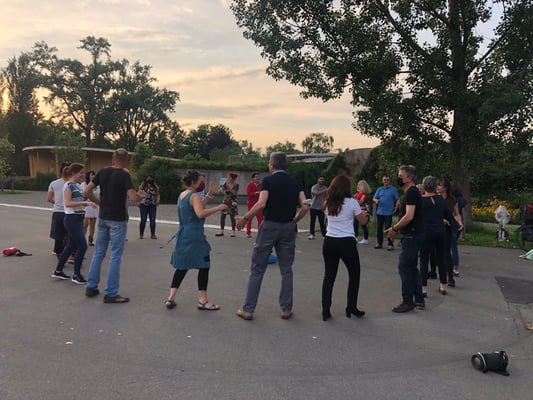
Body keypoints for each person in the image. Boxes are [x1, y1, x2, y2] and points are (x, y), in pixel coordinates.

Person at [235, 152, 309, 320]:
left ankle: (248, 309)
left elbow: (261, 203)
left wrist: (245, 218)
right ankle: (286, 308)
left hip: (269, 226)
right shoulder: (295, 182)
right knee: (286, 269)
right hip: (288, 227)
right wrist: (294, 221)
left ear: (272, 165)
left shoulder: (268, 181)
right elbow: (305, 206)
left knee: (257, 268)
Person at [83, 148, 145, 304]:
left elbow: (87, 191)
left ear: (113, 157)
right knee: (115, 255)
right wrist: (141, 196)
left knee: (99, 252)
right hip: (118, 219)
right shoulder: (124, 175)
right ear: (127, 159)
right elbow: (133, 198)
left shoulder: (103, 171)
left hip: (103, 217)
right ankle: (111, 292)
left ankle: (91, 286)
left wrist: (100, 203)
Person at [165, 170, 227, 310]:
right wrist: (218, 208)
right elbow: (200, 213)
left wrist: (208, 195)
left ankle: (171, 298)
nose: (202, 184)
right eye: (200, 181)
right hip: (195, 236)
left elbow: (196, 206)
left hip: (183, 235)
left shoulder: (183, 195)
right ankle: (203, 300)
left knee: (182, 266)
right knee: (204, 265)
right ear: (193, 182)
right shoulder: (194, 196)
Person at [321, 175, 368, 321]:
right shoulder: (352, 202)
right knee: (354, 275)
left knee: (329, 277)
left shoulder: (327, 202)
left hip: (329, 240)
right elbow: (363, 221)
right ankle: (351, 307)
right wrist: (364, 215)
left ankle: (326, 310)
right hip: (346, 241)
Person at [385, 165, 425, 313]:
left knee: (405, 268)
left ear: (409, 178)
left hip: (412, 235)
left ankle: (407, 301)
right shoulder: (411, 192)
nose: (398, 178)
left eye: (401, 176)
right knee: (412, 268)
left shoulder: (411, 192)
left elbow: (409, 216)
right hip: (414, 234)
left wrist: (394, 228)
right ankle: (419, 299)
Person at [51, 163, 97, 284]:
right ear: (73, 173)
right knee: (82, 246)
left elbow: (78, 202)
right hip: (72, 219)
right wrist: (86, 203)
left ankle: (58, 270)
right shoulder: (68, 185)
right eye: (81, 173)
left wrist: (86, 200)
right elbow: (67, 203)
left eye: (84, 173)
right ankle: (76, 275)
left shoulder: (77, 186)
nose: (83, 175)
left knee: (71, 245)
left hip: (77, 219)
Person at [419, 176, 452, 297]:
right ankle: (443, 285)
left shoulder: (421, 200)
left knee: (424, 259)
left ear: (424, 186)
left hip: (426, 232)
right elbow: (448, 215)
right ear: (434, 186)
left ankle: (423, 288)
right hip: (440, 231)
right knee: (441, 258)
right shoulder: (441, 200)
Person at [437, 178, 464, 287]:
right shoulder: (436, 198)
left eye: (440, 185)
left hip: (447, 228)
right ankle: (434, 272)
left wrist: (460, 222)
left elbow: (456, 213)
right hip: (436, 227)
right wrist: (441, 219)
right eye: (437, 185)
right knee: (435, 252)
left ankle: (450, 277)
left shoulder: (452, 200)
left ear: (446, 188)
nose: (438, 187)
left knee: (446, 253)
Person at [47, 162, 70, 256]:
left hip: (57, 212)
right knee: (69, 233)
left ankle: (57, 251)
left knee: (58, 234)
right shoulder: (73, 184)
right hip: (69, 211)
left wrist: (57, 203)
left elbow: (49, 198)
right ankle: (69, 253)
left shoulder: (54, 183)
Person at [373, 176, 400, 250]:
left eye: (387, 180)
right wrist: (376, 200)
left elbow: (398, 199)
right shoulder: (380, 189)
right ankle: (379, 243)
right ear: (382, 181)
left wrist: (396, 207)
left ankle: (390, 244)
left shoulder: (393, 189)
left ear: (389, 181)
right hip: (380, 212)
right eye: (384, 179)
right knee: (379, 228)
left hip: (388, 212)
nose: (386, 181)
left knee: (388, 228)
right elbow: (374, 198)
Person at [216, 172, 239, 237]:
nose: (228, 178)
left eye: (229, 177)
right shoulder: (225, 184)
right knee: (223, 216)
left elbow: (235, 193)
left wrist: (229, 188)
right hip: (226, 201)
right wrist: (221, 188)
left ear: (232, 178)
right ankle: (221, 231)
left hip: (233, 202)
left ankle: (233, 232)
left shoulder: (236, 185)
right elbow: (220, 191)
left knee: (232, 217)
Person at [138, 175, 160, 239]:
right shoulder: (142, 187)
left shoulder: (155, 187)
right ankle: (141, 234)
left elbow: (158, 194)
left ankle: (153, 234)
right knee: (143, 220)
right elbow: (139, 194)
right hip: (144, 205)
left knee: (152, 220)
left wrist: (158, 200)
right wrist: (138, 202)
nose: (149, 181)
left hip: (152, 205)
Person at [80, 170, 99, 246]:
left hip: (94, 205)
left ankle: (90, 239)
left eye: (94, 175)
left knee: (93, 223)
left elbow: (99, 195)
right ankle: (82, 239)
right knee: (85, 224)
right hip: (86, 205)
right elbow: (82, 194)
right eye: (91, 175)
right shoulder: (83, 184)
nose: (93, 176)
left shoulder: (97, 185)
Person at [308, 176, 328, 240]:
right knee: (312, 221)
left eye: (323, 179)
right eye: (320, 179)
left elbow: (326, 197)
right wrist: (325, 190)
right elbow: (316, 193)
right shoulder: (314, 187)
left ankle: (324, 235)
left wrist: (323, 204)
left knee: (322, 222)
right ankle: (312, 234)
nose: (321, 180)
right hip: (313, 206)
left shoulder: (325, 187)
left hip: (320, 207)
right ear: (318, 180)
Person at [353, 180, 371, 244]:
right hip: (357, 211)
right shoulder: (357, 194)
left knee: (363, 225)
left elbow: (361, 202)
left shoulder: (364, 194)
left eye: (359, 185)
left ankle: (365, 239)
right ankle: (355, 237)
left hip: (363, 211)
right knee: (355, 224)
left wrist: (354, 199)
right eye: (357, 185)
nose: (357, 186)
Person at [245, 172, 263, 238]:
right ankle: (248, 233)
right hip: (251, 204)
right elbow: (249, 193)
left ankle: (260, 233)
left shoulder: (261, 185)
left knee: (260, 219)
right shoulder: (250, 185)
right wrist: (255, 193)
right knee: (249, 218)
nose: (258, 179)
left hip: (259, 204)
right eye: (256, 177)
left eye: (258, 177)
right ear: (253, 178)